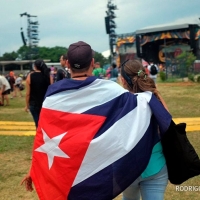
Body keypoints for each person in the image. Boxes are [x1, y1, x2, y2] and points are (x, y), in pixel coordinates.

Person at [21, 41, 171, 200]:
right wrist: (151, 93)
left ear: (68, 63)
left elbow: (43, 136)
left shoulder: (52, 97)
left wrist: (35, 169)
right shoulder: (112, 91)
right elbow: (143, 106)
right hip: (149, 167)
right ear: (92, 62)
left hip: (84, 168)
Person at [120, 59, 168, 200]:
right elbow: (167, 127)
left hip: (128, 167)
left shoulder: (121, 103)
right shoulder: (155, 98)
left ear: (123, 80)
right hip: (156, 165)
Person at [25, 59, 53, 128]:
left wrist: (27, 105)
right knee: (46, 124)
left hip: (34, 103)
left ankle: (39, 138)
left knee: (38, 124)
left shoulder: (30, 76)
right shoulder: (48, 76)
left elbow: (28, 93)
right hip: (46, 104)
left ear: (35, 66)